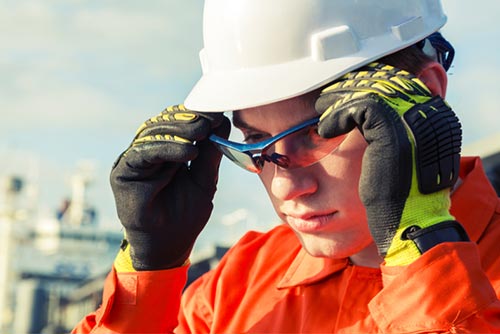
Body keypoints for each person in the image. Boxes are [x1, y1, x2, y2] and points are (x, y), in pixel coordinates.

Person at [73, 1, 500, 333]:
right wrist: (146, 281)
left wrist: (423, 250)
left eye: (319, 132)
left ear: (423, 99)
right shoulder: (240, 281)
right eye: (256, 141)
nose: (284, 187)